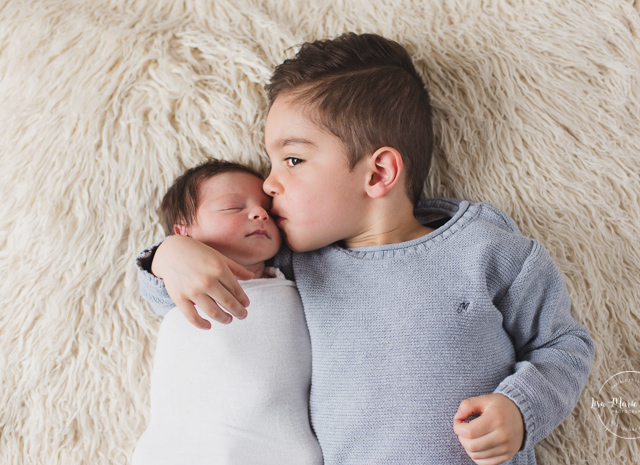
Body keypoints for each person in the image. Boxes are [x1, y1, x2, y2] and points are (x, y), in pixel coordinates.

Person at [136, 33, 595, 465]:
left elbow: (562, 345)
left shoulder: (487, 252)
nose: (269, 183)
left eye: (292, 159)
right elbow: (192, 295)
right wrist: (170, 254)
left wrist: (520, 409)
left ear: (378, 174)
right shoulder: (299, 263)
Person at [132, 161, 322, 465]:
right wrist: (171, 250)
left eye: (267, 209)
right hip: (185, 450)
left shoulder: (291, 271)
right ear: (185, 232)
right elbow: (153, 282)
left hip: (278, 447)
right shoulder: (181, 288)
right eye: (234, 208)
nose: (260, 213)